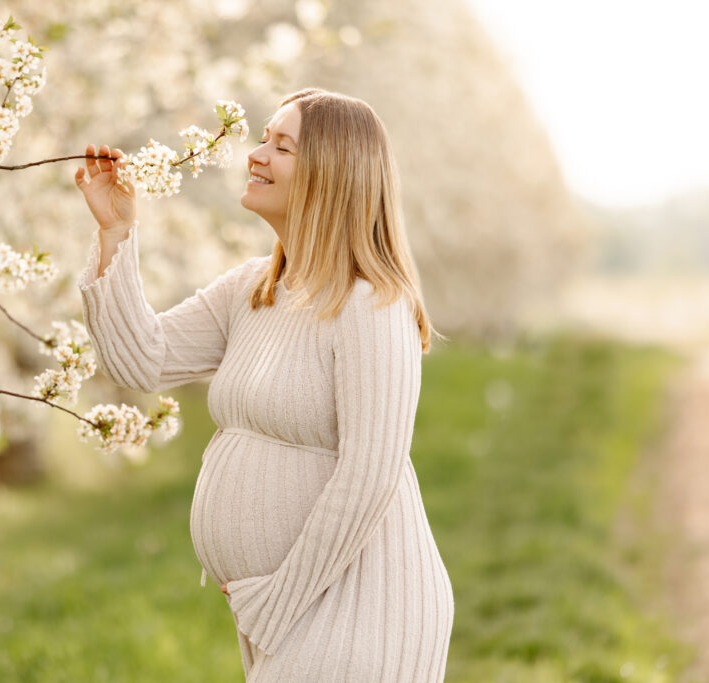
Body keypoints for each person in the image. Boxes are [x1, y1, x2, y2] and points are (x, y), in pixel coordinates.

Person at [74, 88, 454, 682]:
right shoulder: (253, 289)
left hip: (361, 606)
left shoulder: (372, 306)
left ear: (331, 175)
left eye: (282, 146)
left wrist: (277, 601)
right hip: (280, 610)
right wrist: (116, 233)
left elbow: (370, 474)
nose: (256, 154)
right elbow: (141, 362)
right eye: (262, 138)